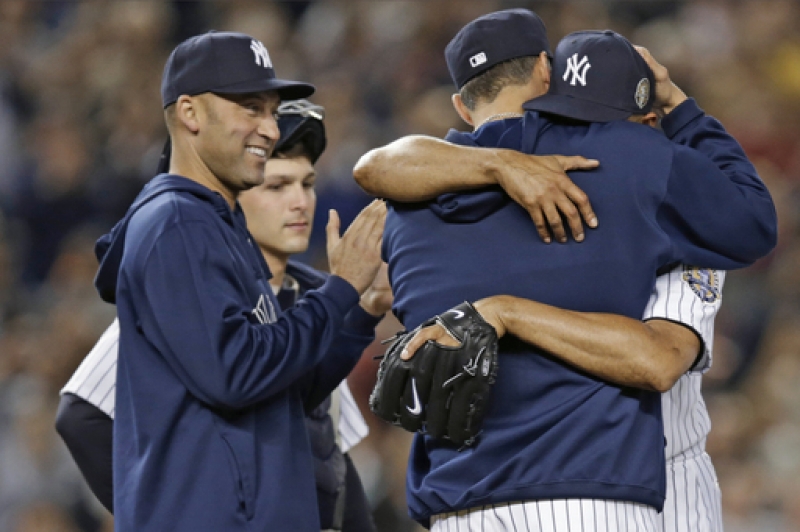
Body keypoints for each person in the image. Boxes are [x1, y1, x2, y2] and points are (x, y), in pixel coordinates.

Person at [356, 10, 777, 531]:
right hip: (592, 488)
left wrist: (496, 164)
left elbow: (374, 166)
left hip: (456, 503)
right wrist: (681, 109)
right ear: (546, 72)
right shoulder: (625, 162)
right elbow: (752, 225)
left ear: (462, 106)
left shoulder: (404, 204)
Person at [91, 31, 387, 531]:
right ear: (189, 113)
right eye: (250, 108)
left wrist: (359, 310)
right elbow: (237, 374)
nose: (269, 129)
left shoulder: (220, 225)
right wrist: (338, 289)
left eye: (271, 111)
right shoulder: (175, 224)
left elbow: (285, 387)